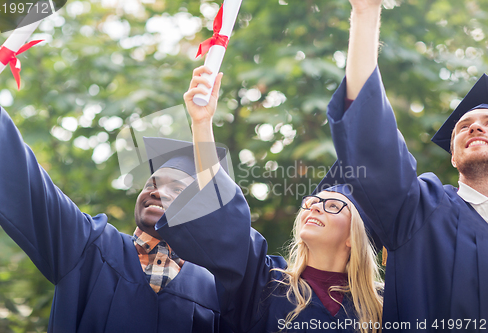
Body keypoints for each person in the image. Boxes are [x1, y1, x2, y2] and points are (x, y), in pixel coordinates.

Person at [153, 66, 384, 333]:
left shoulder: (381, 307)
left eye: (332, 206)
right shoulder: (265, 285)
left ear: (353, 237)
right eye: (311, 203)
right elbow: (223, 213)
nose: (316, 207)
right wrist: (202, 123)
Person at [0, 80, 232, 332]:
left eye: (177, 189)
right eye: (152, 183)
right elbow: (37, 195)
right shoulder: (90, 247)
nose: (157, 192)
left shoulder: (215, 292)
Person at [325, 0, 488, 331]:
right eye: (463, 125)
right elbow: (373, 139)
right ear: (453, 156)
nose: (474, 127)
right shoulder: (421, 209)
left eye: (487, 121)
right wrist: (365, 13)